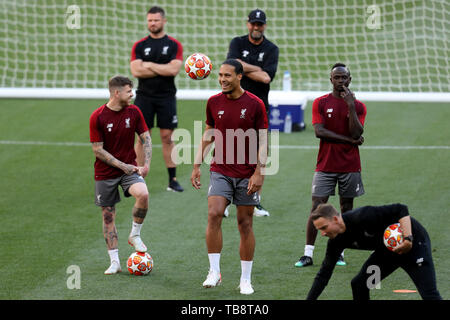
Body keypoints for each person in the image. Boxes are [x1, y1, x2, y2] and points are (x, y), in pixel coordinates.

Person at [190, 59, 268, 295]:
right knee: (214, 213)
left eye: (228, 76)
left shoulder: (255, 104)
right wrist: (196, 164)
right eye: (220, 75)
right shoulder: (213, 102)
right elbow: (209, 132)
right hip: (220, 169)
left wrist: (259, 172)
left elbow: (263, 140)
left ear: (239, 77)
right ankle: (214, 272)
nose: (223, 80)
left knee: (245, 223)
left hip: (247, 173)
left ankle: (245, 279)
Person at [295, 63, 367, 267]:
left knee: (347, 209)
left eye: (344, 78)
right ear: (331, 80)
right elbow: (320, 132)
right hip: (325, 165)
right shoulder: (320, 102)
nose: (341, 81)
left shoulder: (359, 106)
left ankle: (340, 252)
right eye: (337, 78)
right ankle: (307, 254)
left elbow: (357, 133)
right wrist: (350, 142)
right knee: (317, 207)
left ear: (350, 80)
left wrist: (351, 106)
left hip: (350, 166)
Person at [306, 203, 442, 300]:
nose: (322, 234)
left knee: (429, 294)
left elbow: (401, 209)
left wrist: (408, 239)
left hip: (413, 246)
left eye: (324, 227)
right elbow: (323, 275)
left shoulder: (362, 216)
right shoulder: (336, 242)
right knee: (360, 285)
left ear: (335, 219)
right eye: (320, 230)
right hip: (387, 254)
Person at [89, 76, 152, 275]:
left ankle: (134, 234)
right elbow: (98, 150)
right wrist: (122, 165)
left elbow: (146, 137)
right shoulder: (97, 117)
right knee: (108, 216)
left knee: (143, 194)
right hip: (105, 172)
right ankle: (114, 261)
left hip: (130, 170)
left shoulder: (134, 112)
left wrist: (146, 164)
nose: (132, 94)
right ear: (117, 93)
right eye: (128, 91)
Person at [226, 8, 279, 217]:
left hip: (258, 108)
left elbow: (267, 78)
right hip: (233, 105)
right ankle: (227, 199)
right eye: (253, 24)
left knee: (259, 154)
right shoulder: (237, 42)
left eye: (260, 24)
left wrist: (243, 67)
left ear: (264, 26)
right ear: (248, 24)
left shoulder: (272, 49)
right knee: (228, 150)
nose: (256, 27)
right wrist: (256, 69)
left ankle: (255, 201)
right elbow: (231, 67)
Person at [130, 6, 184, 192]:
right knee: (142, 139)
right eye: (150, 20)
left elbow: (173, 70)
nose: (152, 23)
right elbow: (136, 71)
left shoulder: (174, 44)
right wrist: (162, 67)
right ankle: (137, 179)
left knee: (167, 137)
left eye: (156, 20)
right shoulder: (139, 45)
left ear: (164, 21)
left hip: (166, 97)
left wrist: (149, 65)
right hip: (144, 97)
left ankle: (173, 180)